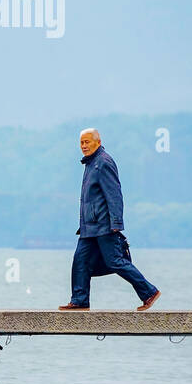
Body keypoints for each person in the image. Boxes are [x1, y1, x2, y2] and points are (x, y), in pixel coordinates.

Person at [59, 127, 160, 311]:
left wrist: (116, 223)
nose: (83, 146)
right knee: (80, 261)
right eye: (81, 142)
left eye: (87, 142)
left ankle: (149, 292)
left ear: (98, 141)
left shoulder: (104, 162)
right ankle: (80, 300)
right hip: (89, 227)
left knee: (115, 261)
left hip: (104, 226)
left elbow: (114, 195)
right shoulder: (90, 163)